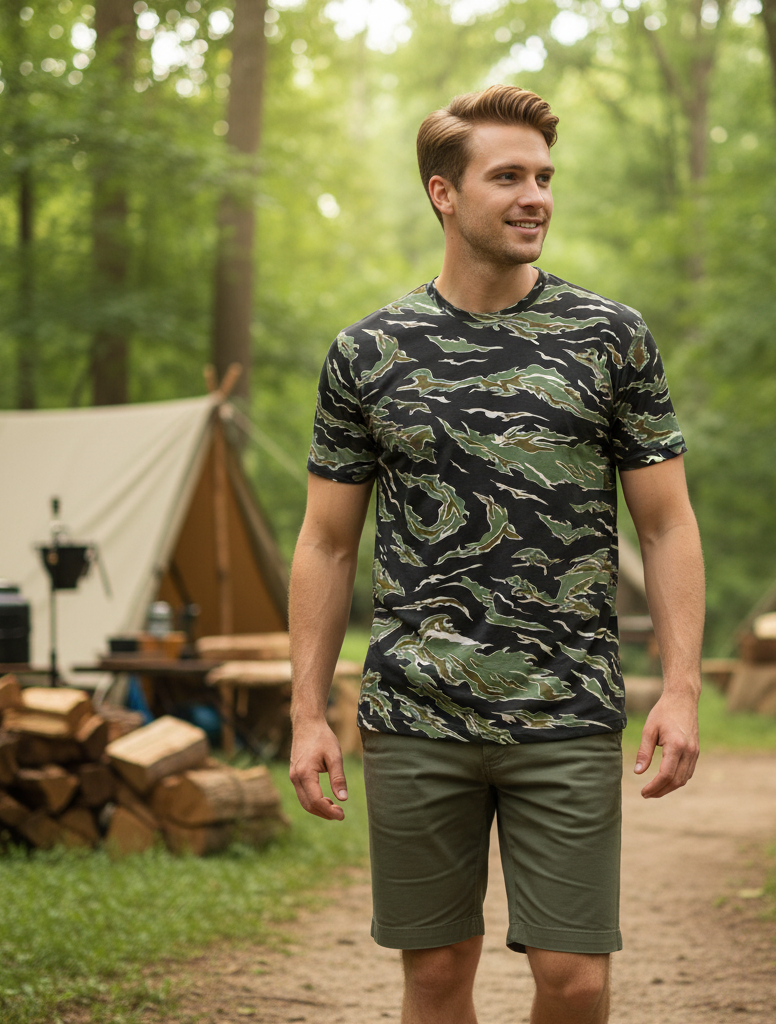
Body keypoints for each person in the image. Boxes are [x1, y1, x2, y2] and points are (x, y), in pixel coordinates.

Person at [288, 84, 705, 1024]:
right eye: (508, 176)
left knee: (575, 978)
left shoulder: (609, 338)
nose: (536, 197)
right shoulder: (368, 353)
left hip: (566, 707)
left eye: (546, 177)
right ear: (444, 193)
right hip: (414, 712)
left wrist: (680, 689)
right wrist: (307, 712)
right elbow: (325, 541)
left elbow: (668, 524)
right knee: (434, 977)